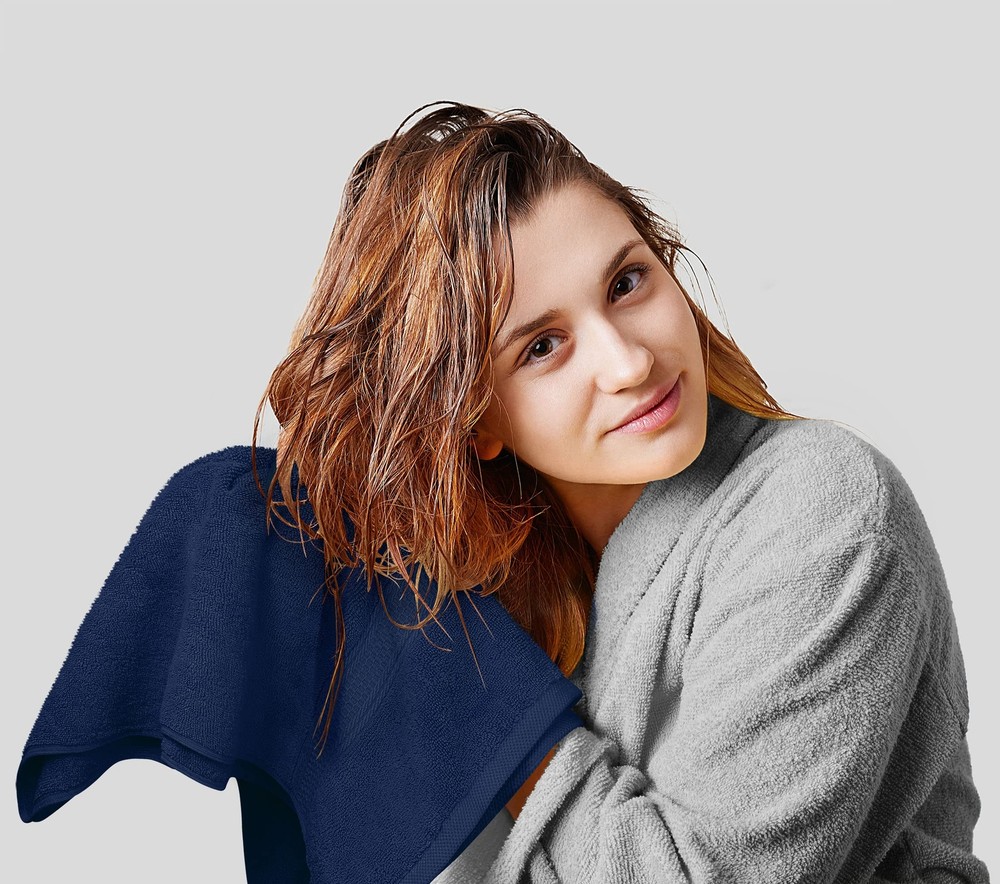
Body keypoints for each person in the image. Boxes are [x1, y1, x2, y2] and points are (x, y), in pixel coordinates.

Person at [17, 100, 989, 883]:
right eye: (542, 345)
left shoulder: (820, 506)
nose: (628, 362)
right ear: (477, 418)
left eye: (627, 282)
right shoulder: (505, 586)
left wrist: (495, 716)